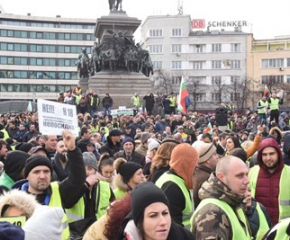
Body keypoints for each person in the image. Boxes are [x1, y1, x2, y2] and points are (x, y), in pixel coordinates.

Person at [13, 130, 86, 240]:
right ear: (27, 176)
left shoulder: (58, 190)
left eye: (46, 171)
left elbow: (78, 178)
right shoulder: (14, 200)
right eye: (36, 172)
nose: (42, 176)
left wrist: (72, 150)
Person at [191, 156, 252, 239]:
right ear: (221, 177)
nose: (247, 181)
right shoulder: (212, 212)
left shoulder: (233, 201)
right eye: (240, 176)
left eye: (246, 174)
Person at [118, 182, 195, 240]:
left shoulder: (185, 237)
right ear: (139, 221)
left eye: (165, 213)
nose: (163, 222)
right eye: (153, 215)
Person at [65, 152, 114, 238]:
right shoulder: (70, 185)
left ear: (96, 170)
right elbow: (68, 203)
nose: (86, 172)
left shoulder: (105, 187)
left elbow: (113, 209)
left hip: (99, 233)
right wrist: (86, 184)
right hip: (75, 235)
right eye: (82, 168)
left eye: (90, 168)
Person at [156, 143, 198, 229]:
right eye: (194, 163)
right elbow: (172, 227)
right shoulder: (171, 187)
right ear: (185, 164)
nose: (196, 166)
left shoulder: (179, 180)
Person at [249, 137, 290, 225]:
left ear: (278, 154)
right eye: (264, 154)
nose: (268, 158)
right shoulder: (252, 172)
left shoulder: (289, 172)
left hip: (284, 229)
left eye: (271, 154)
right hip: (260, 228)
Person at [192, 141, 219, 208]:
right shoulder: (206, 177)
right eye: (215, 154)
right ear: (207, 159)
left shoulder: (197, 172)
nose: (217, 157)